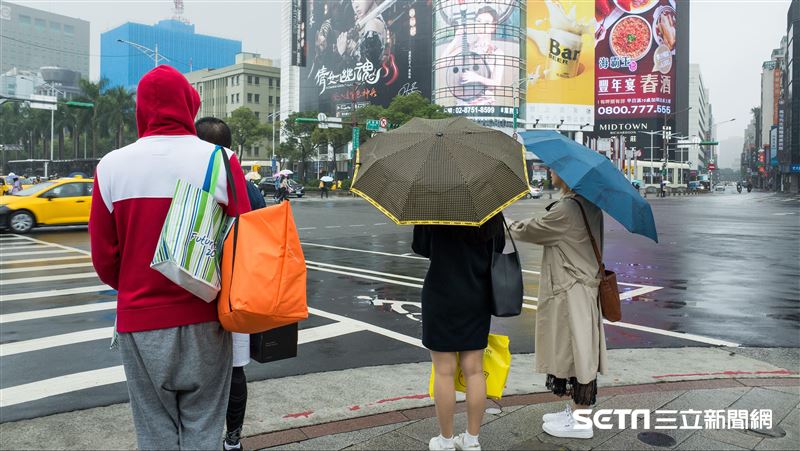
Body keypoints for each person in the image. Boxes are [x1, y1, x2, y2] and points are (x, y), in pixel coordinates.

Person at [89, 65, 251, 450]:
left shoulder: (111, 166)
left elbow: (103, 260)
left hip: (139, 320)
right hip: (206, 319)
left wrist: (135, 283)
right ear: (189, 105)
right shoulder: (220, 160)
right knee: (204, 425)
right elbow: (244, 241)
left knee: (154, 431)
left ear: (140, 109)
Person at [508, 168, 608, 440]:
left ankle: (580, 420)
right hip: (579, 289)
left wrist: (507, 224)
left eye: (554, 169)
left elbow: (535, 229)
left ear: (566, 175)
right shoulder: (589, 205)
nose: (550, 171)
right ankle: (576, 409)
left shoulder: (568, 209)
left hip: (571, 292)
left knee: (577, 354)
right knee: (577, 351)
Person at [195, 116, 263, 450]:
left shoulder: (191, 179)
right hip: (238, 291)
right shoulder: (249, 187)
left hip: (196, 288)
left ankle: (201, 437)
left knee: (200, 371)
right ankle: (233, 439)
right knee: (235, 371)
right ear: (231, 146)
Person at [412, 213, 505, 451]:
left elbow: (421, 248)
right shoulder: (491, 208)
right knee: (474, 371)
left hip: (440, 294)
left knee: (443, 371)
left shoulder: (433, 206)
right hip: (477, 294)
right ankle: (472, 440)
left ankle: (444, 440)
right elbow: (499, 246)